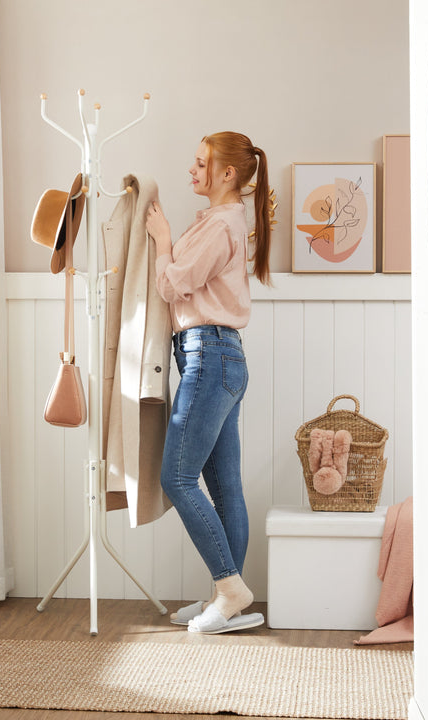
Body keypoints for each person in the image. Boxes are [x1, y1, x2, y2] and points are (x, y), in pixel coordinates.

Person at [145, 131, 272, 634]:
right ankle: (230, 599)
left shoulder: (221, 226)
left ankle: (229, 586)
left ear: (228, 174)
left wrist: (161, 243)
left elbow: (173, 284)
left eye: (201, 165)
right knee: (224, 486)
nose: (192, 171)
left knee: (176, 478)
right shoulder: (224, 222)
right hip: (222, 358)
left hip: (209, 357)